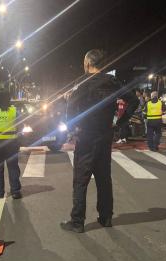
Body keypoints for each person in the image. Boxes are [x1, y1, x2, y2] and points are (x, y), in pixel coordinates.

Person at [61, 49, 137, 233]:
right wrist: (118, 123)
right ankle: (106, 217)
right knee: (104, 178)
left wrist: (74, 127)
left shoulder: (82, 84)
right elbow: (134, 101)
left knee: (81, 180)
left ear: (88, 63)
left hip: (86, 137)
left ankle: (77, 221)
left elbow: (70, 113)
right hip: (105, 137)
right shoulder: (112, 82)